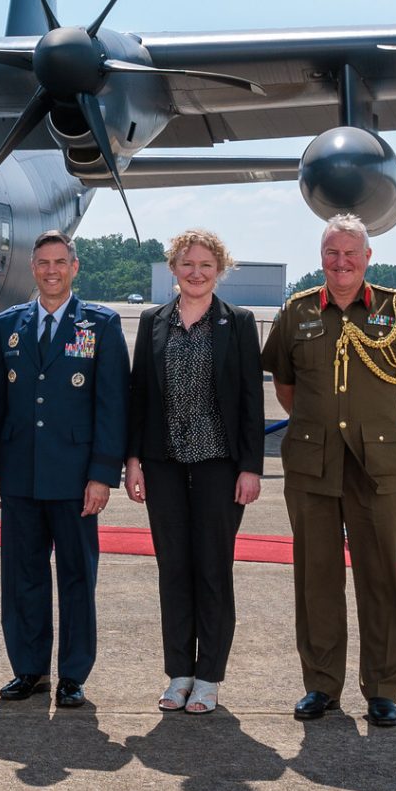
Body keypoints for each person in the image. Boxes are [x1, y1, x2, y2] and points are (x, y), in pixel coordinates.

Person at [262, 213, 396, 728]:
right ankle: (321, 685)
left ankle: (383, 689)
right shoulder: (297, 313)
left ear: (367, 258)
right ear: (320, 259)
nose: (340, 263)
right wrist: (317, 428)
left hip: (375, 466)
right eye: (331, 254)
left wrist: (389, 430)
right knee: (315, 578)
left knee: (381, 576)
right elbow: (286, 385)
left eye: (350, 254)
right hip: (312, 465)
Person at [0, 230, 127, 708]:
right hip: (20, 474)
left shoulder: (99, 325)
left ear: (74, 267)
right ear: (33, 269)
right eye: (42, 263)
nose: (51, 270)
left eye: (59, 262)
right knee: (22, 576)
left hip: (76, 477)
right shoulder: (9, 325)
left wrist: (103, 475)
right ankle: (29, 669)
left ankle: (72, 675)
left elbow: (111, 406)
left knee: (77, 577)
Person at [125, 227, 266, 715]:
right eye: (188, 264)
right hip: (163, 463)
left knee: (212, 570)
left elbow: (251, 401)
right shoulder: (153, 322)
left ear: (220, 270)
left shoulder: (239, 323)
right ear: (173, 269)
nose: (196, 272)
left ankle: (209, 677)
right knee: (173, 569)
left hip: (219, 466)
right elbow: (140, 394)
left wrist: (251, 467)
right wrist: (133, 460)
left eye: (206, 264)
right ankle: (178, 671)